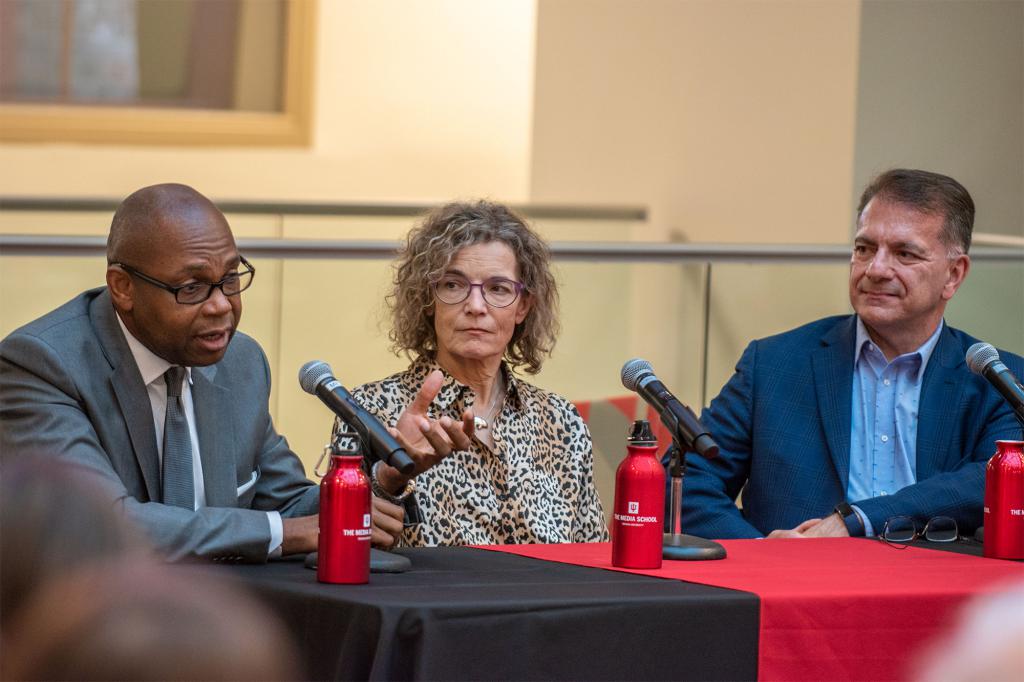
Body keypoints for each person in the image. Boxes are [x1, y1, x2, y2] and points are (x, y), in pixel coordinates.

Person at [0, 183, 410, 561]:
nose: (221, 306)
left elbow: (285, 503)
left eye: (230, 278)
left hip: (224, 619)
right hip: (88, 625)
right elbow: (97, 526)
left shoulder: (241, 362)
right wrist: (281, 534)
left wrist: (374, 483)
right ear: (122, 287)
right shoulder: (42, 365)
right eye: (191, 288)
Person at [680, 169, 1024, 539]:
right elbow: (688, 484)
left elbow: (992, 481)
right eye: (864, 248)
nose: (875, 269)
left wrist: (857, 519)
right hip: (799, 589)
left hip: (937, 587)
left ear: (954, 274)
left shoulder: (997, 379)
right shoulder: (774, 364)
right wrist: (764, 554)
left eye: (904, 254)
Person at [334, 200, 608, 546]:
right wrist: (387, 480)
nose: (476, 306)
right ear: (427, 298)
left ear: (523, 307)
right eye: (453, 285)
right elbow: (343, 545)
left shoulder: (561, 421)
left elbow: (593, 556)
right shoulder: (369, 411)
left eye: (498, 289)